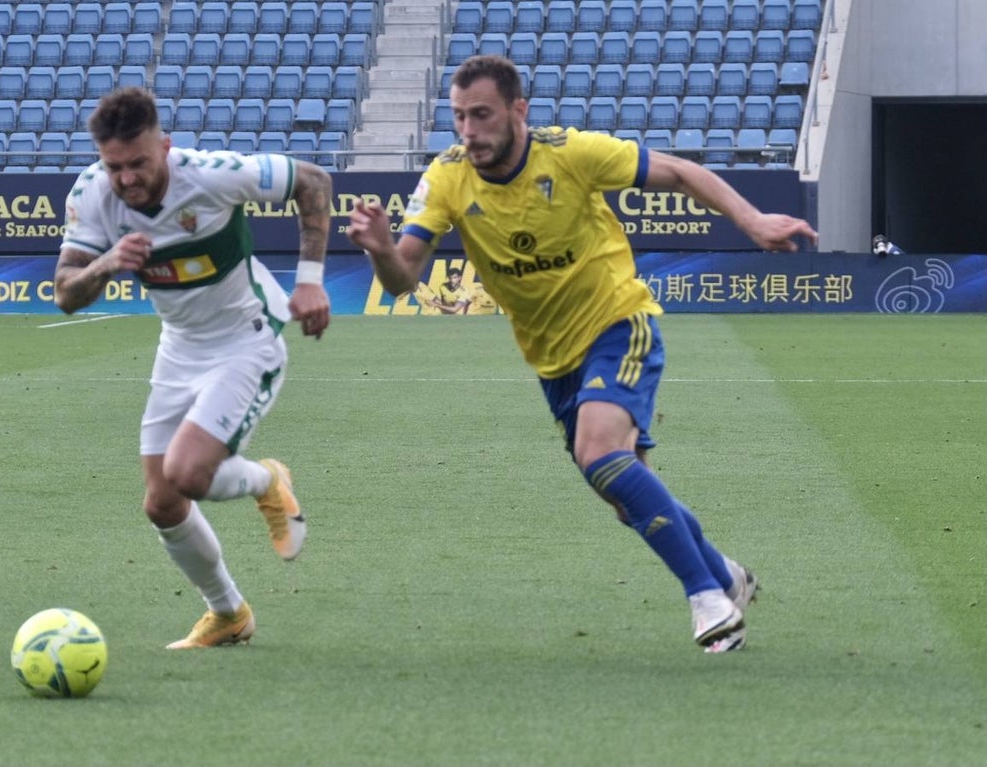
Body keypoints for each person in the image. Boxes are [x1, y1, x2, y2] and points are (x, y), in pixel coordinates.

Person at [347, 55, 818, 652]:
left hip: (618, 322)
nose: (468, 131)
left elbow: (676, 171)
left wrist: (752, 222)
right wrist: (380, 250)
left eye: (482, 115)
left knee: (597, 451)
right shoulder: (445, 178)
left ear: (518, 110)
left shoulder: (569, 153)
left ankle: (707, 599)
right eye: (459, 117)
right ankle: (726, 574)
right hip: (553, 359)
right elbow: (401, 280)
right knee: (627, 494)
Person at [53, 87, 333, 649]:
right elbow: (65, 293)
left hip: (245, 341)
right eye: (115, 167)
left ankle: (267, 480)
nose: (127, 178)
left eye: (139, 163)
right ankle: (228, 613)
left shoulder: (211, 175)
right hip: (179, 348)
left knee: (186, 473)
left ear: (165, 145)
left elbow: (314, 182)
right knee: (162, 502)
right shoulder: (91, 193)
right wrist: (106, 264)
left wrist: (310, 281)